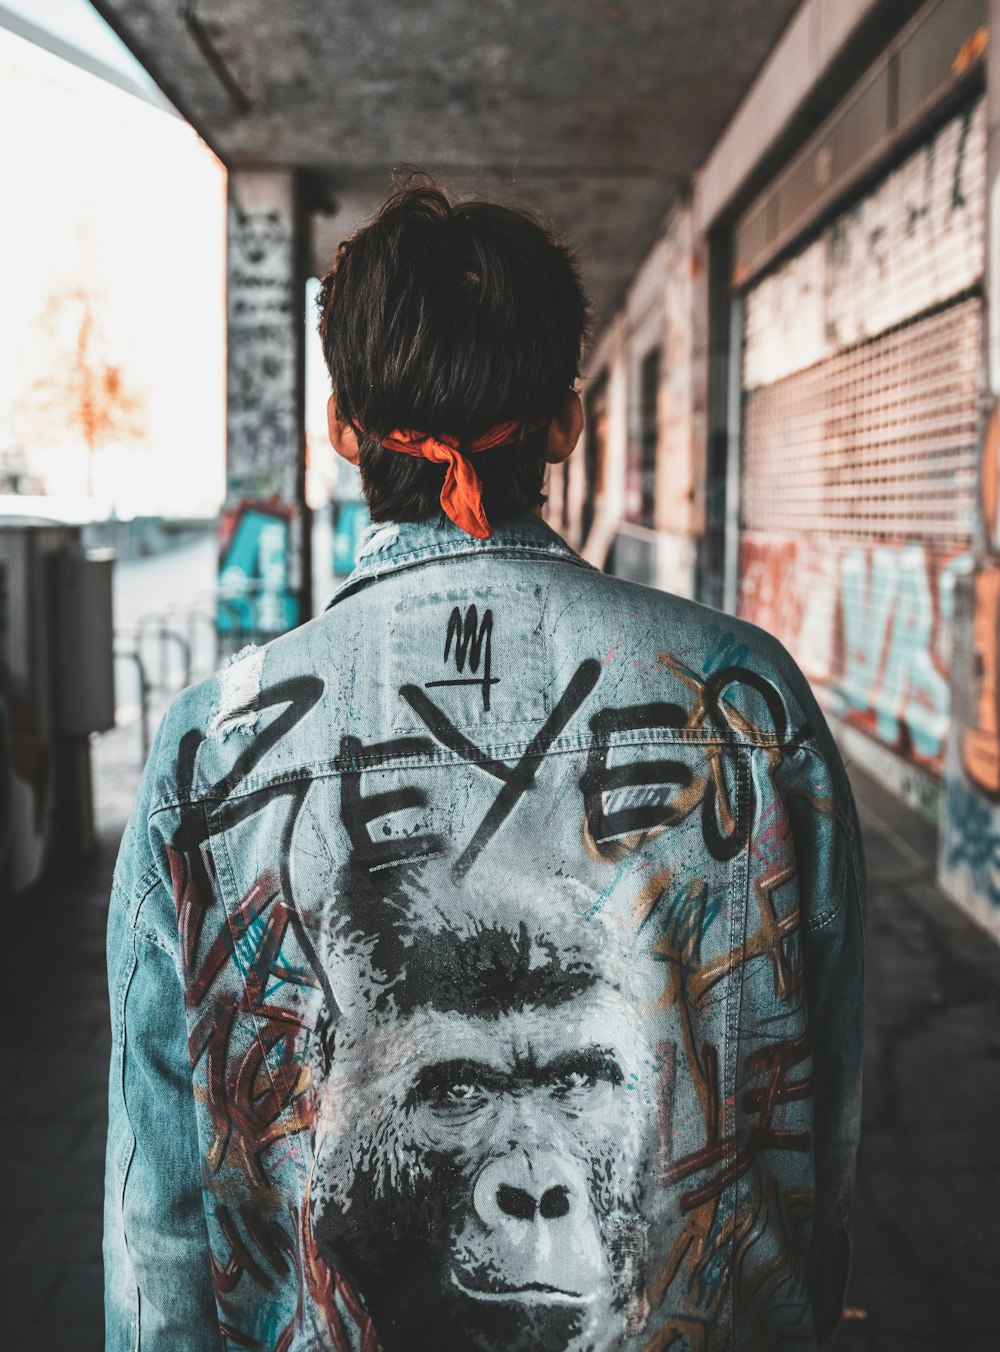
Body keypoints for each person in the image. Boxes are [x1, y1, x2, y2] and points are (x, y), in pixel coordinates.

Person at [104, 186, 865, 1352]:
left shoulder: (214, 746)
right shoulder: (746, 703)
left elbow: (158, 1226)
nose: (535, 1182)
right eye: (458, 1089)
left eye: (572, 1080)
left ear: (339, 429)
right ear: (564, 424)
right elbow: (812, 1146)